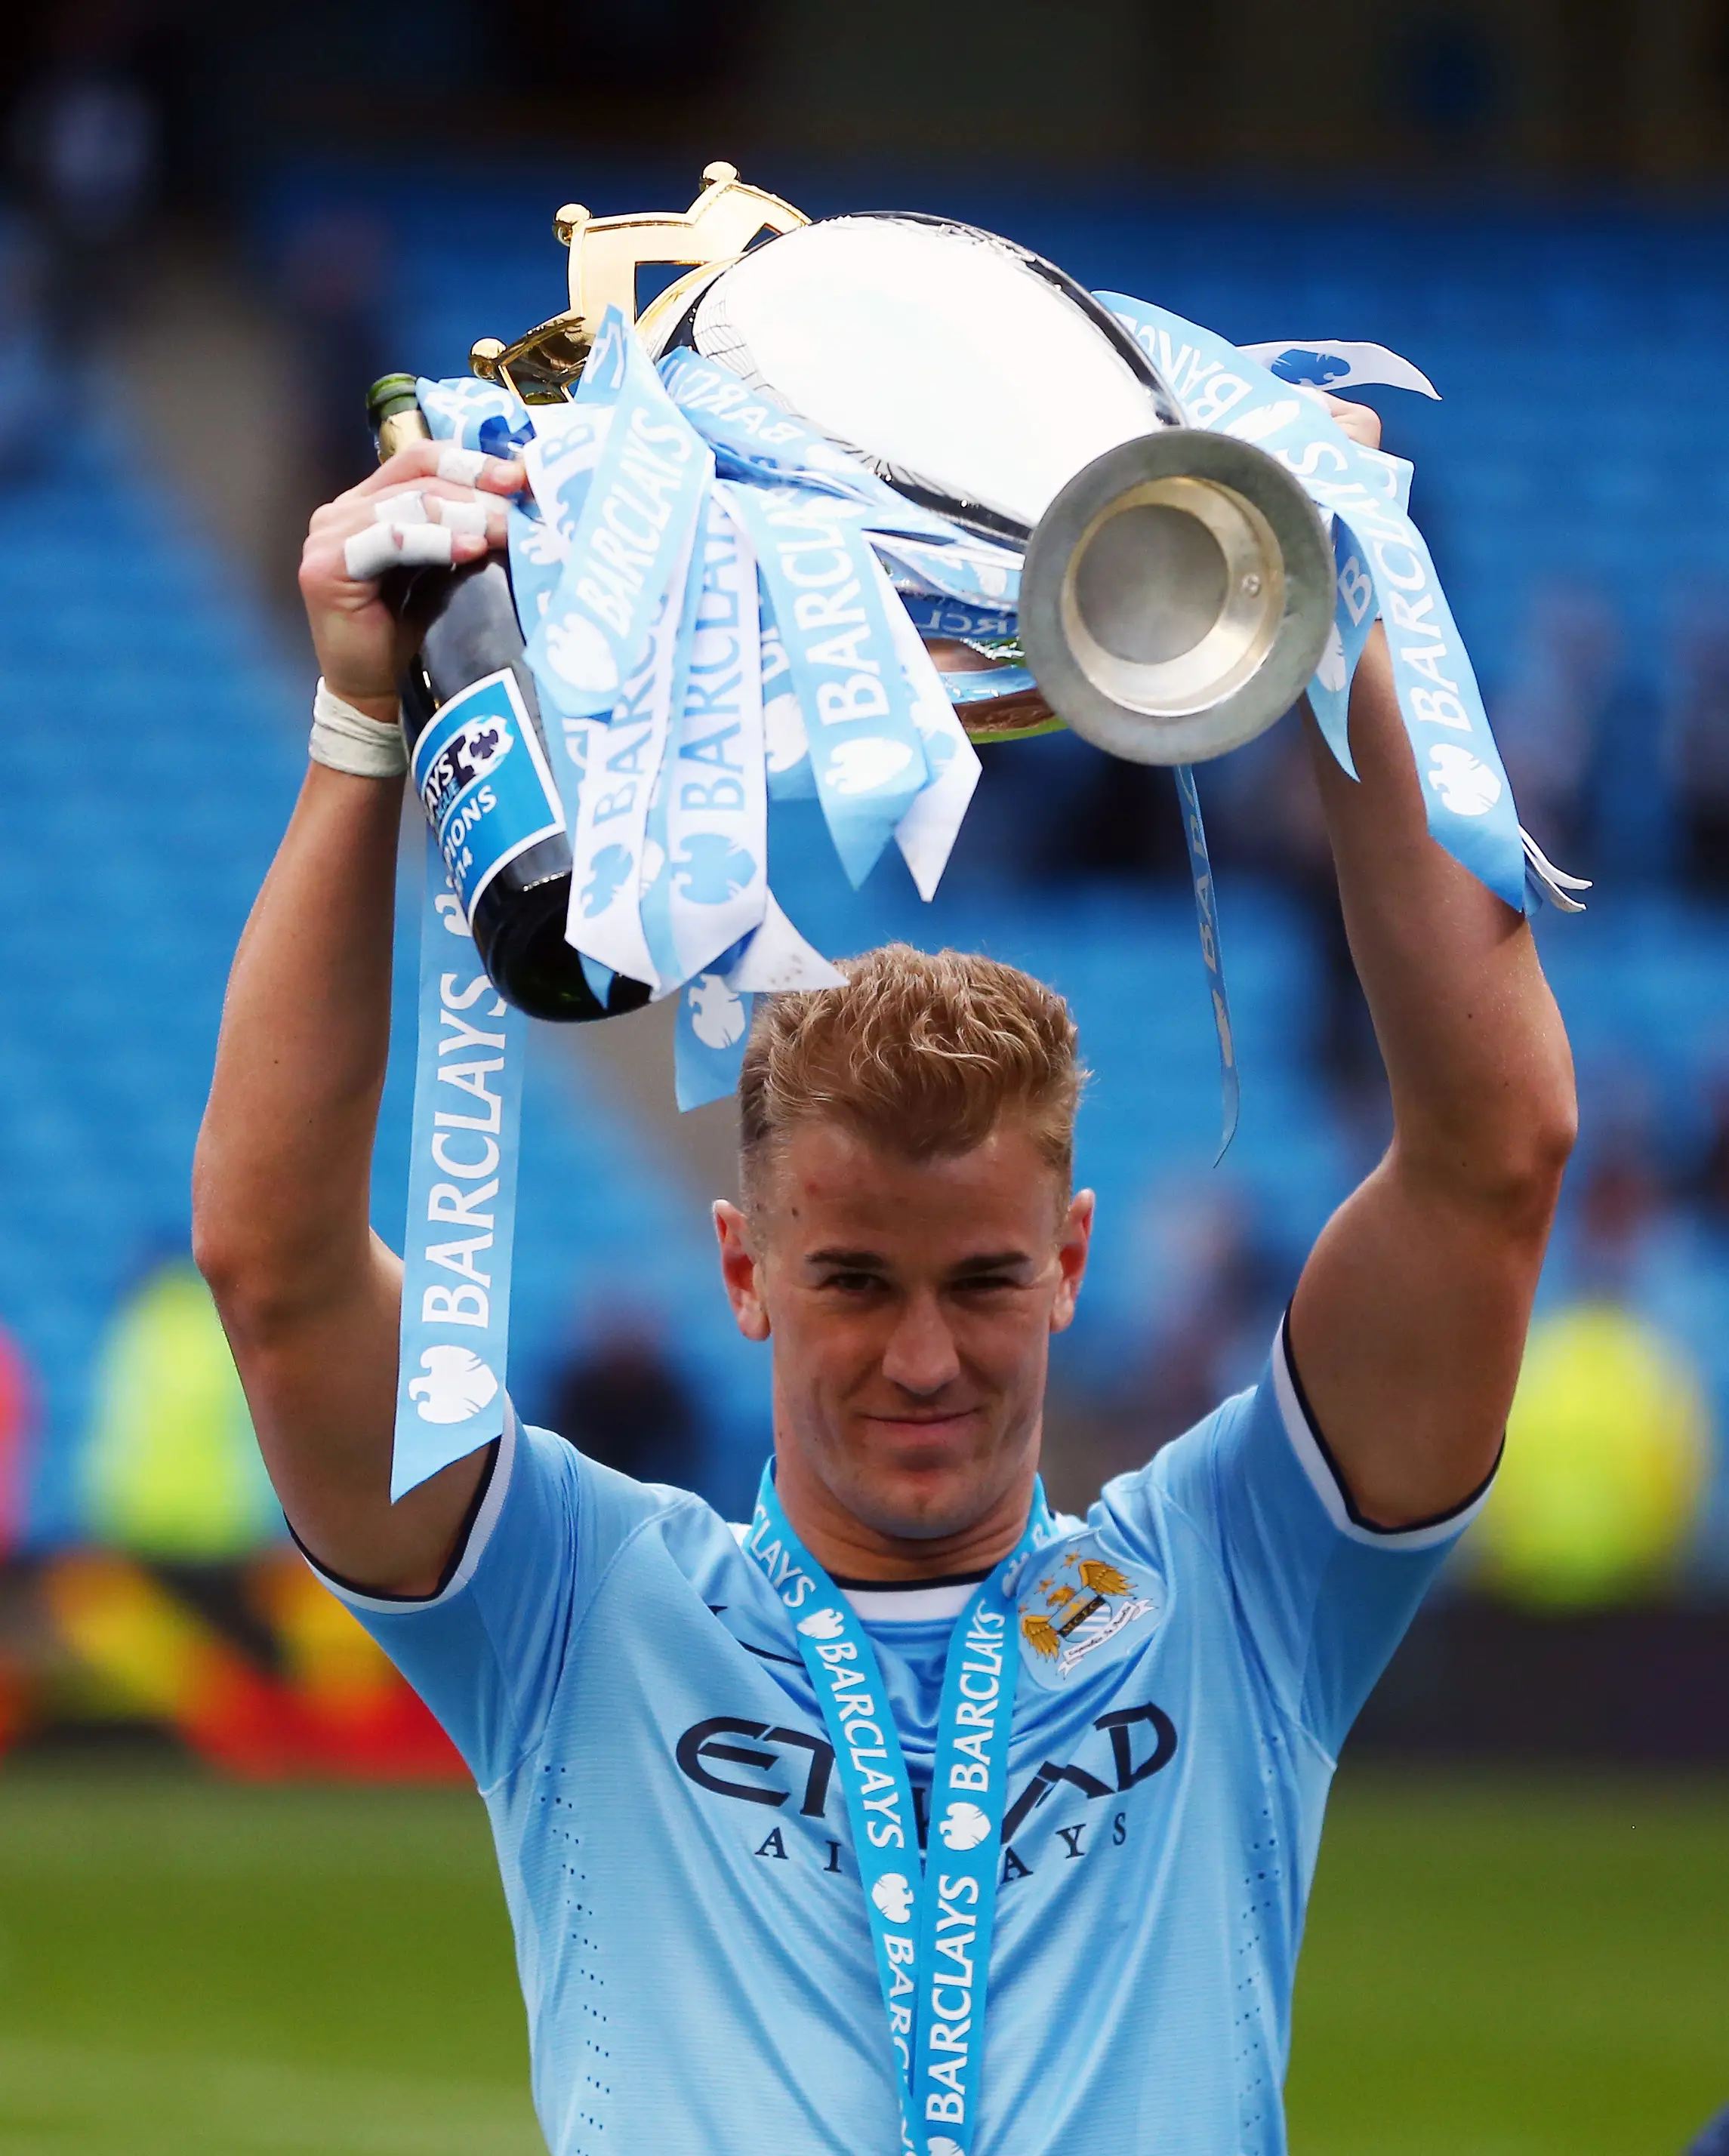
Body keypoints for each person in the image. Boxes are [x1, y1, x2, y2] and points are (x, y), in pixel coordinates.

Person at [193, 396, 1577, 2154]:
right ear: (743, 1267)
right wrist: (359, 727)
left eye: (982, 1281)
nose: (923, 1357)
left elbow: (1492, 1157)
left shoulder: (1237, 1586)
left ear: (1069, 1260)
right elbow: (279, 1268)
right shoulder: (574, 1606)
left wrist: (1322, 604)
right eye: (852, 1280)